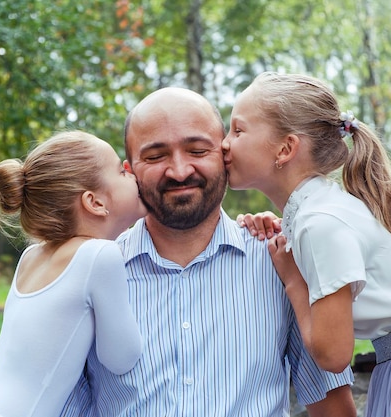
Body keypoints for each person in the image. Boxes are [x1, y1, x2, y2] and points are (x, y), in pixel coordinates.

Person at [60, 87, 356, 417]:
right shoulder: (87, 274)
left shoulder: (282, 263)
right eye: (156, 156)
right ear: (129, 171)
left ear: (225, 155)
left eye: (198, 150)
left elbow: (333, 409)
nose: (180, 171)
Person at [221, 71, 391, 416]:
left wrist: (294, 282)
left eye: (238, 130)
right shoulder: (324, 211)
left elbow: (333, 356)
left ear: (286, 149)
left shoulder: (321, 222)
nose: (224, 142)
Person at [0, 131, 146, 417]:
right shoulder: (100, 256)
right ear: (95, 202)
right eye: (119, 171)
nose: (130, 171)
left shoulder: (32, 256)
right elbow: (121, 358)